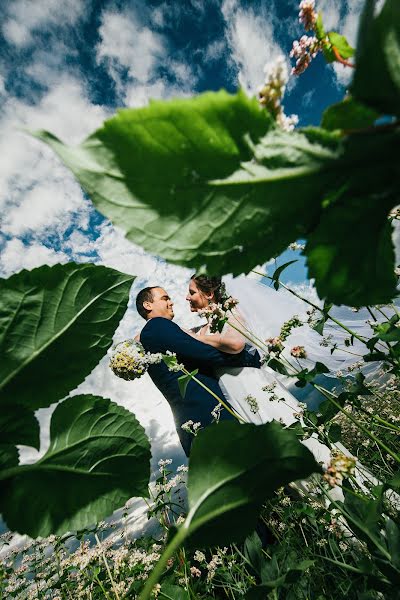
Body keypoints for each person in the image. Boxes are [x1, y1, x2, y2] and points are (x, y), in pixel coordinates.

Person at [136, 286, 261, 457]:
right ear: (148, 305)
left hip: (191, 423)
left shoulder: (145, 337)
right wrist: (248, 358)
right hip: (208, 414)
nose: (171, 302)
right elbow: (204, 352)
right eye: (165, 298)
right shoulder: (157, 326)